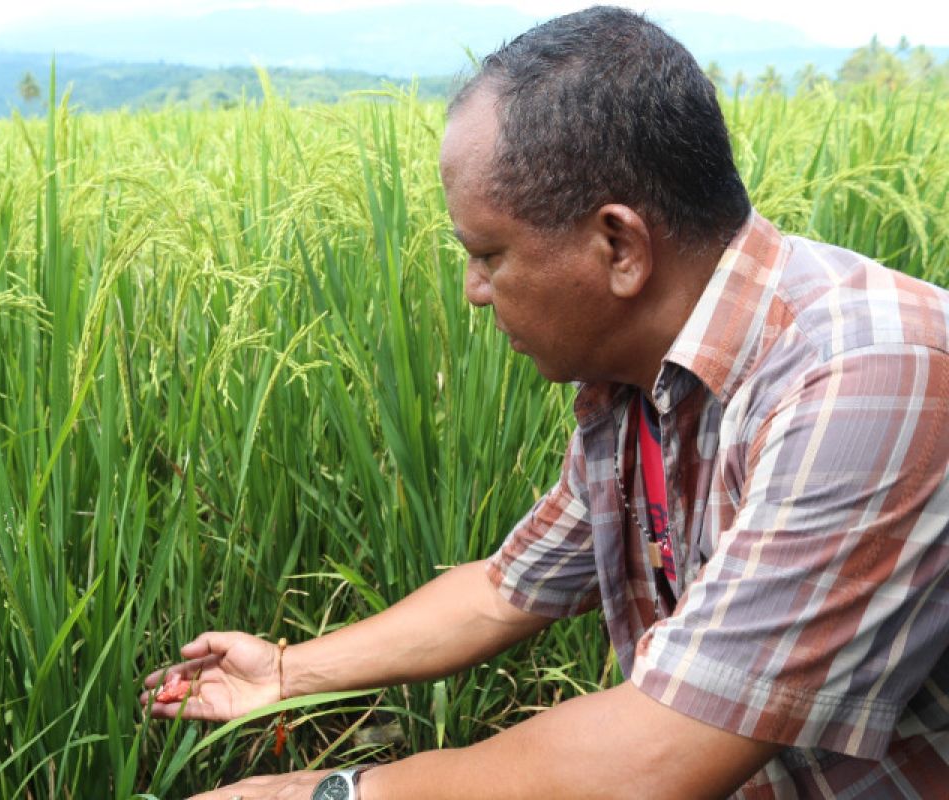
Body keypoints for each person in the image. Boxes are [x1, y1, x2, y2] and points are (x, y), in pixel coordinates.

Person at [142, 6, 949, 798]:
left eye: (489, 255)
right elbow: (505, 590)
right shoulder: (642, 383)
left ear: (619, 247)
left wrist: (326, 792)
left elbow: (658, 755)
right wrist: (287, 670)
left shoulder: (867, 379)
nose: (474, 293)